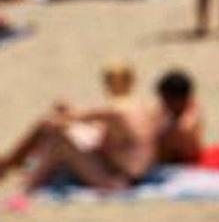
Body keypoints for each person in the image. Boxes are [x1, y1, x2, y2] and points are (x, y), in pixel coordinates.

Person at [0, 64, 159, 211]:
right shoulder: (139, 106)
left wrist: (63, 110)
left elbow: (68, 119)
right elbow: (104, 133)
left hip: (117, 180)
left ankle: (24, 190)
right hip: (127, 172)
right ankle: (9, 165)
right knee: (53, 130)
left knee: (57, 139)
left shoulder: (114, 110)